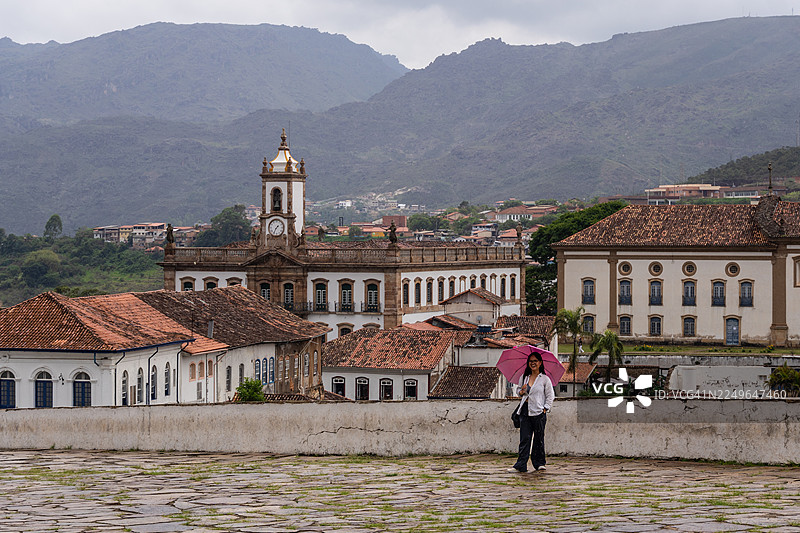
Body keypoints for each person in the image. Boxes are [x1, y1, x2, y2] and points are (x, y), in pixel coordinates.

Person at [509, 353, 555, 473]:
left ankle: (539, 463)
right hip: (525, 411)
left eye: (535, 361)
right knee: (525, 439)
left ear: (540, 363)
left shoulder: (545, 379)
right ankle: (521, 465)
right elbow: (518, 391)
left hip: (539, 412)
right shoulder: (524, 377)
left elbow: (550, 396)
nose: (532, 363)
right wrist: (521, 391)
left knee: (538, 439)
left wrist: (546, 408)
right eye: (530, 361)